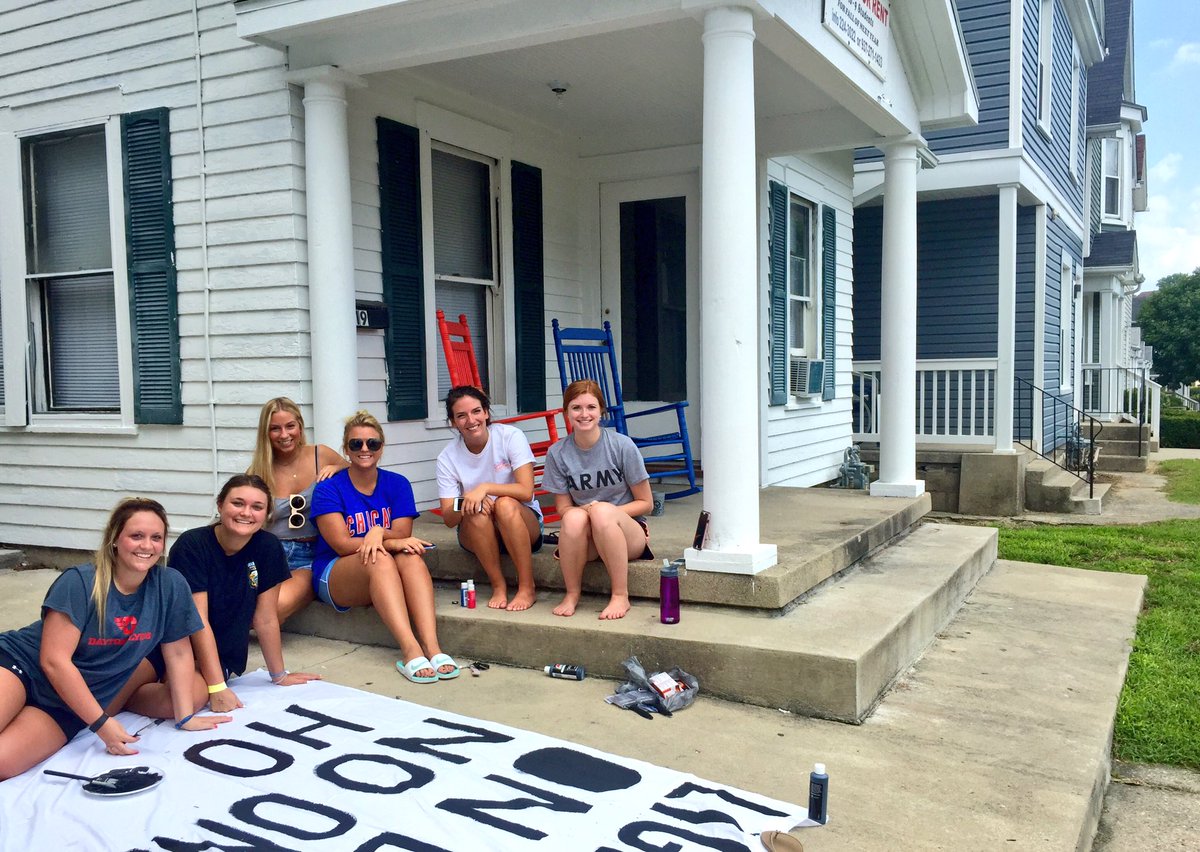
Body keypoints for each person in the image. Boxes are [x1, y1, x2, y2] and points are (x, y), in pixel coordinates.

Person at [0, 498, 230, 780]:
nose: (147, 546)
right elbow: (54, 661)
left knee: (3, 763)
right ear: (115, 540)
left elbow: (178, 653)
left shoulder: (170, 585)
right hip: (23, 666)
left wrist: (184, 717)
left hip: (68, 703)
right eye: (137, 536)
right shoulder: (80, 581)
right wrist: (101, 723)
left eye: (156, 538)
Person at [129, 475, 322, 716]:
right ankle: (118, 698)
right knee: (110, 688)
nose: (246, 512)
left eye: (257, 507)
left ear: (266, 514)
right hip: (167, 645)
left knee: (181, 702)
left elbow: (265, 618)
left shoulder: (268, 547)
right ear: (220, 505)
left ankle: (128, 700)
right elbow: (198, 621)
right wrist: (217, 688)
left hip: (219, 655)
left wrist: (279, 675)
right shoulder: (193, 544)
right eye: (237, 503)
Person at [311, 410, 459, 683]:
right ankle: (411, 649)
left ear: (381, 447)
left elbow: (404, 534)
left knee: (410, 556)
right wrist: (384, 540)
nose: (364, 449)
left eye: (372, 443)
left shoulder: (397, 483)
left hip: (381, 567)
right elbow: (342, 544)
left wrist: (378, 532)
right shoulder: (328, 488)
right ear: (346, 449)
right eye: (356, 443)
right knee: (379, 558)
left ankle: (433, 647)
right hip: (336, 572)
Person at [542, 379, 654, 620]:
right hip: (587, 537)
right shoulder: (558, 453)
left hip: (628, 534)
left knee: (602, 512)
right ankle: (572, 594)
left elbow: (646, 503)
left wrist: (604, 511)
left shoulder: (622, 446)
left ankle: (620, 595)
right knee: (572, 517)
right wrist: (586, 511)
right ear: (566, 412)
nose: (584, 414)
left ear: (601, 410)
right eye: (576, 408)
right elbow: (562, 507)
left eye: (591, 407)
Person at [436, 386, 542, 611]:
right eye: (461, 416)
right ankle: (498, 586)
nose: (471, 420)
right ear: (453, 422)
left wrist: (485, 488)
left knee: (505, 504)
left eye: (476, 411)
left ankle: (526, 587)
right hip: (478, 531)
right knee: (474, 511)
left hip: (522, 523)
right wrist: (467, 500)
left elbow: (526, 491)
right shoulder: (447, 457)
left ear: (486, 412)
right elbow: (448, 518)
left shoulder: (510, 436)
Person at [246, 397, 348, 622]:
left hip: (309, 556)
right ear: (266, 433)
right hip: (268, 553)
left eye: (290, 426)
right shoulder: (258, 470)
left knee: (271, 608)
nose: (284, 435)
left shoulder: (320, 455)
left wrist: (337, 467)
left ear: (300, 426)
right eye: (275, 428)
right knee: (238, 602)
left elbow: (358, 473)